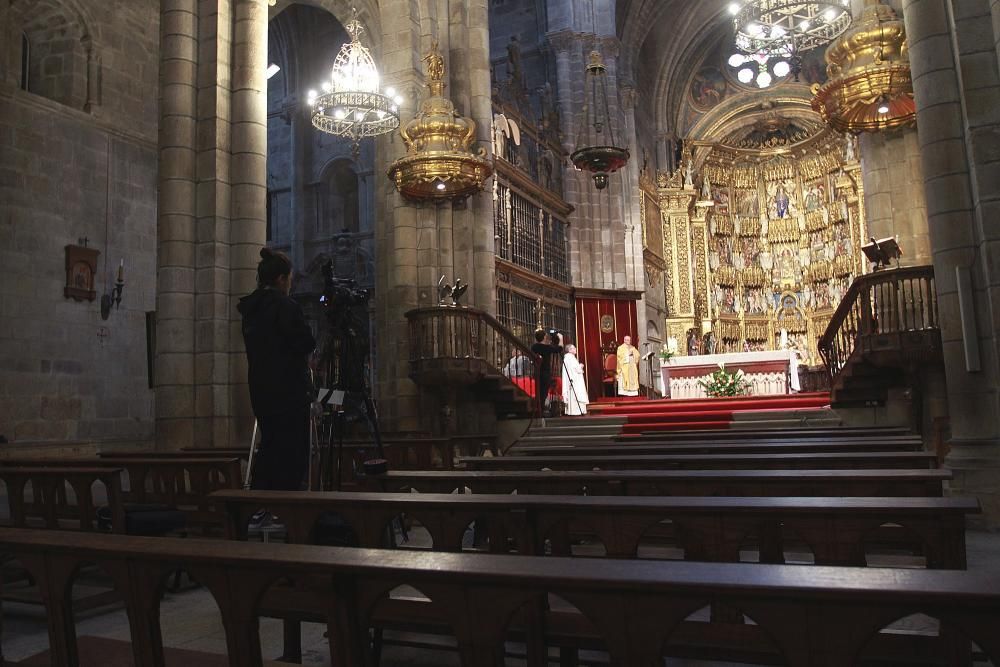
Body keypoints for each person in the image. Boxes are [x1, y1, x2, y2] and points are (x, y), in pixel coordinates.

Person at [238, 248, 316, 498]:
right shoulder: (285, 306)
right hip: (289, 392)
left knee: (270, 447)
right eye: (289, 279)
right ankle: (287, 510)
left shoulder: (251, 309)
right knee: (292, 455)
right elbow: (305, 342)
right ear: (281, 279)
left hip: (261, 391)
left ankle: (261, 505)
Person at [531, 329, 563, 416]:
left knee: (539, 392)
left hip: (537, 372)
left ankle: (539, 409)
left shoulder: (534, 347)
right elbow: (559, 349)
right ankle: (540, 410)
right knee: (544, 392)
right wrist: (560, 339)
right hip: (545, 373)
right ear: (544, 337)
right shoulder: (546, 347)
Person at [561, 344, 590, 416]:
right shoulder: (570, 358)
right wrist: (580, 366)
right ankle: (576, 411)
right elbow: (576, 369)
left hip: (573, 380)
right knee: (576, 394)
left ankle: (574, 410)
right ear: (570, 350)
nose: (575, 349)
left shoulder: (568, 358)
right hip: (574, 381)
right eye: (574, 348)